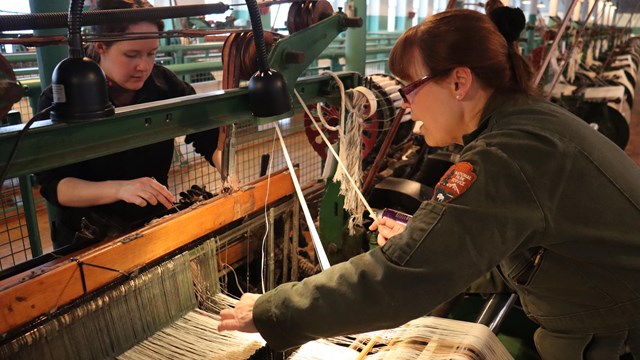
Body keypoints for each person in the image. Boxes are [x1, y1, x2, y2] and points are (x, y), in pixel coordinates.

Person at [218, 9, 640, 360]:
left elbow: (397, 282)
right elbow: (522, 255)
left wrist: (275, 309)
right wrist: (429, 242)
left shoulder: (506, 154)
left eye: (411, 88)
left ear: (459, 82)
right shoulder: (527, 124)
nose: (407, 104)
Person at [38, 0, 224, 249]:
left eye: (151, 53)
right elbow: (55, 186)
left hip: (154, 225)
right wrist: (120, 189)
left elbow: (207, 135)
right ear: (100, 46)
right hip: (88, 238)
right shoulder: (61, 97)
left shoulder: (165, 85)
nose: (143, 66)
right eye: (131, 55)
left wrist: (227, 168)